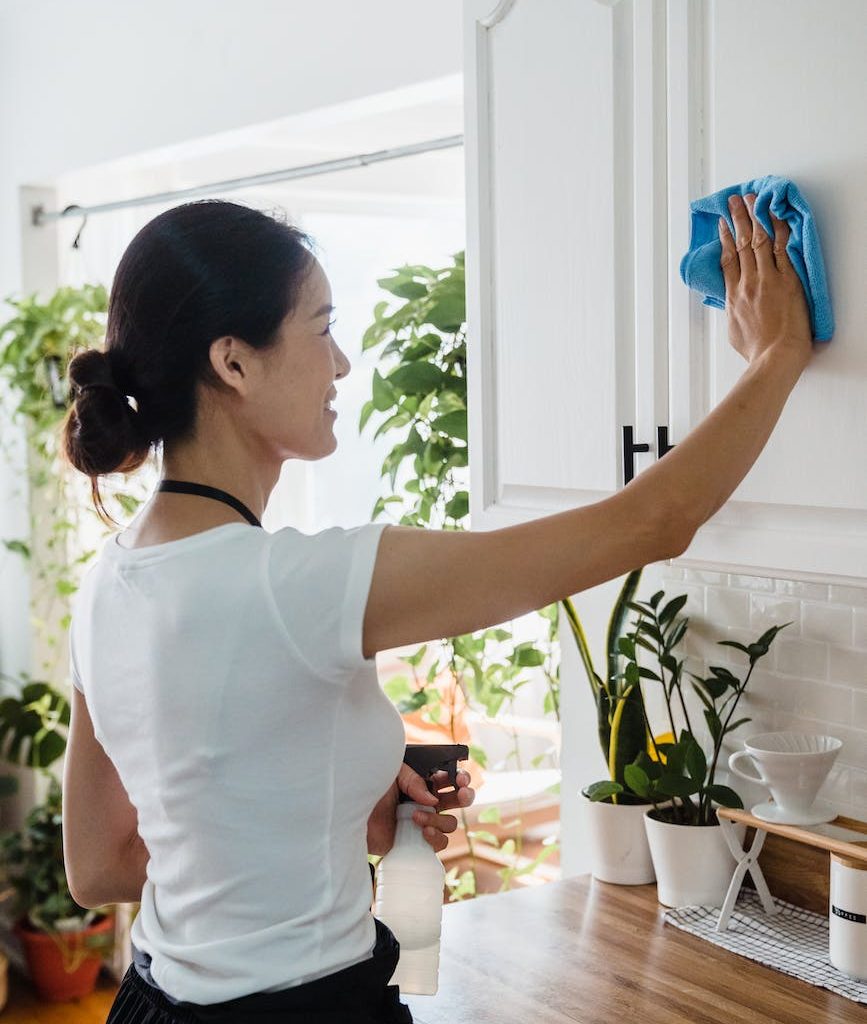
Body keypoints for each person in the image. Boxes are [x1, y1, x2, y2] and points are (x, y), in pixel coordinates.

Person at [59, 192, 814, 1023]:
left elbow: (98, 868)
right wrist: (776, 350)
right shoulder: (295, 582)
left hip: (148, 1006)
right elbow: (653, 522)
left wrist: (319, 815)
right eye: (321, 328)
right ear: (234, 363)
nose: (341, 364)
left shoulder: (109, 583)